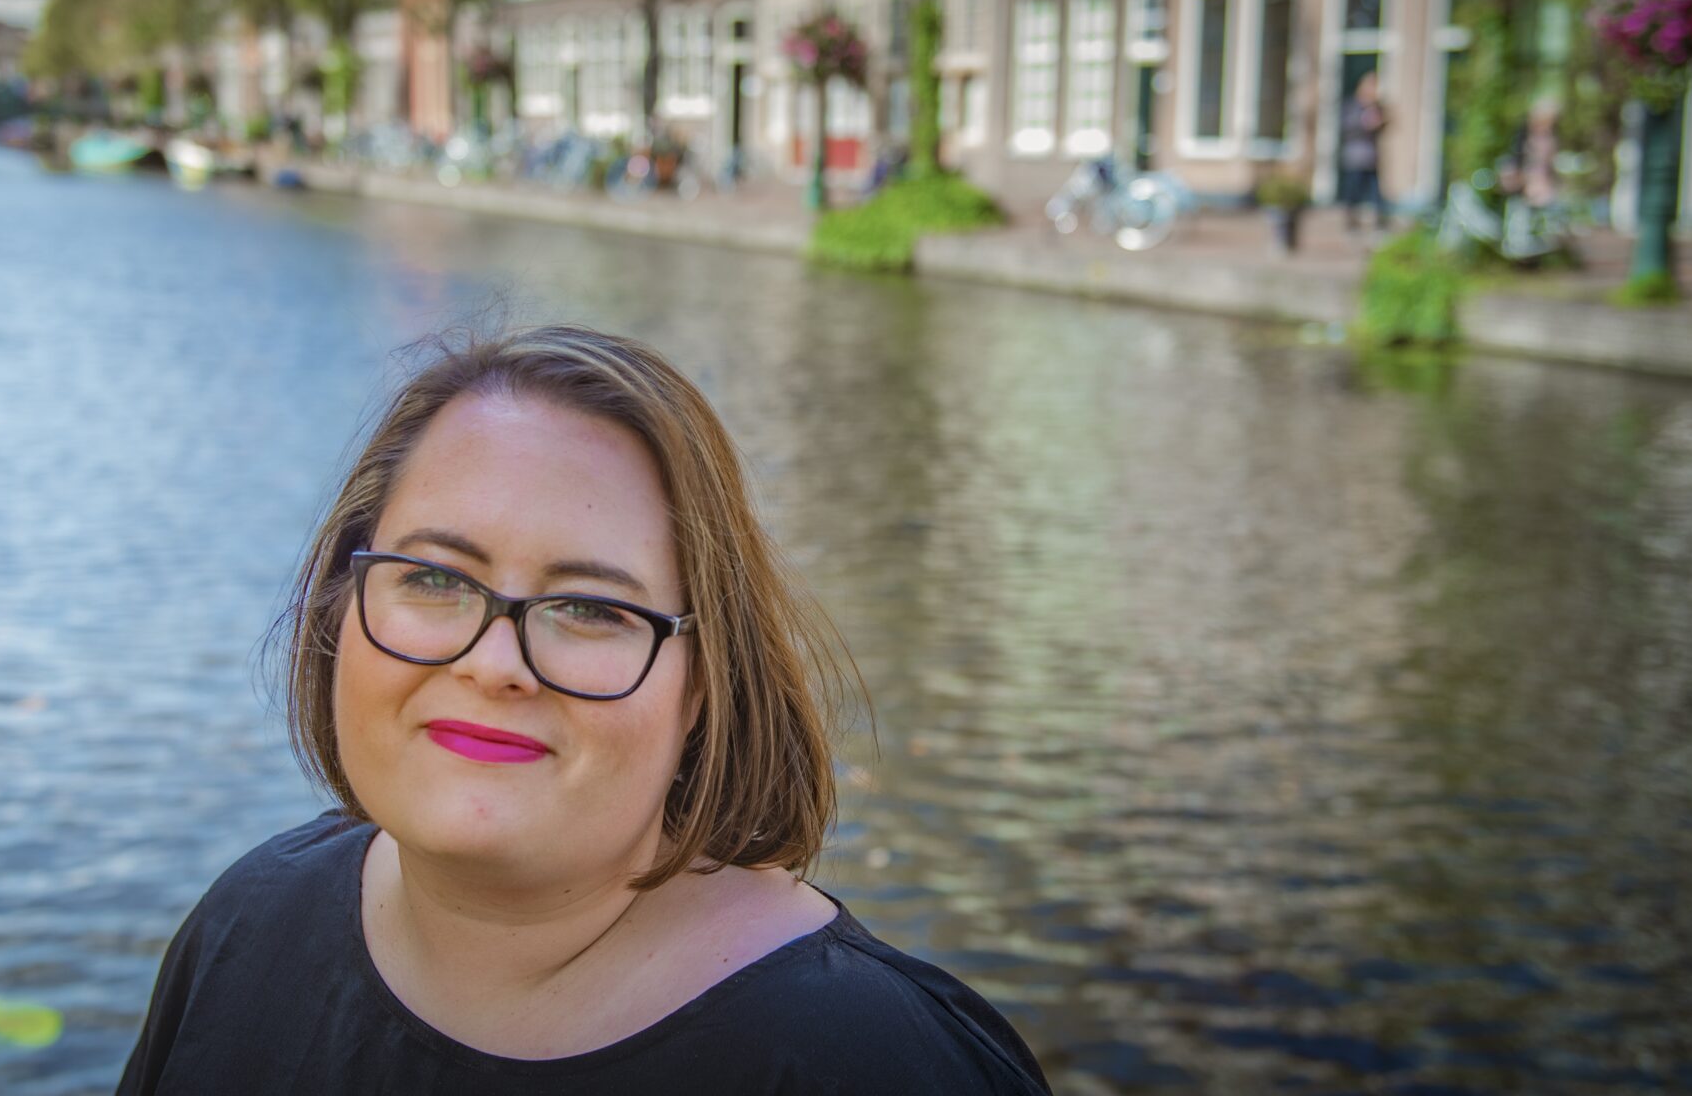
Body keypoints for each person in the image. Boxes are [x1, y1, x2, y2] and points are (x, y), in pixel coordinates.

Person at [115, 325, 1053, 1095]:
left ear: (703, 684)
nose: (493, 664)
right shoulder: (250, 924)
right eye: (434, 579)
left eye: (592, 609)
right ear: (340, 606)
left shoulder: (877, 1062)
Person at [1338, 71, 1390, 235]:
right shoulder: (1352, 106)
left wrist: (1380, 121)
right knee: (1353, 193)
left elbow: (1385, 126)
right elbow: (1347, 126)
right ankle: (1351, 225)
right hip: (1355, 158)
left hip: (1371, 159)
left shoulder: (1376, 108)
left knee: (1375, 194)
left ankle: (1378, 225)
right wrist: (1364, 123)